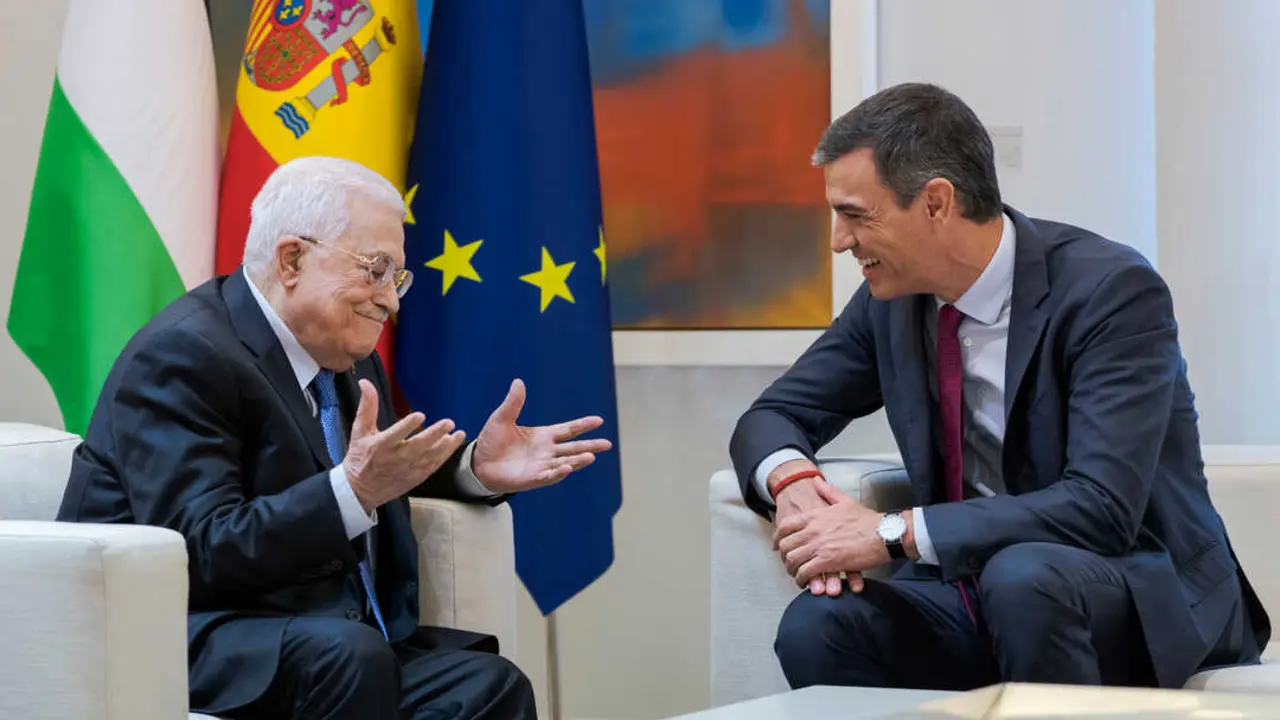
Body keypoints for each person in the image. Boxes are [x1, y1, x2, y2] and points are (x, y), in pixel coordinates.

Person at [729, 82, 1271, 692]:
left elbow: (1101, 509)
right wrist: (794, 484)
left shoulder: (1110, 292)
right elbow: (774, 414)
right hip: (975, 587)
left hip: (1134, 589)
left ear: (936, 202)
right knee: (819, 624)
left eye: (856, 215)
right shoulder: (894, 302)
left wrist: (889, 532)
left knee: (1023, 578)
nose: (838, 240)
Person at [57, 156, 612, 719]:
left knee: (487, 683)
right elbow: (198, 550)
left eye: (396, 277)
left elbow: (374, 467)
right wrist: (353, 493)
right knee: (350, 657)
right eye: (375, 269)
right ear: (293, 258)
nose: (391, 300)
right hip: (182, 633)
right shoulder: (184, 356)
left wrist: (473, 467)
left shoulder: (345, 355)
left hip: (323, 636)